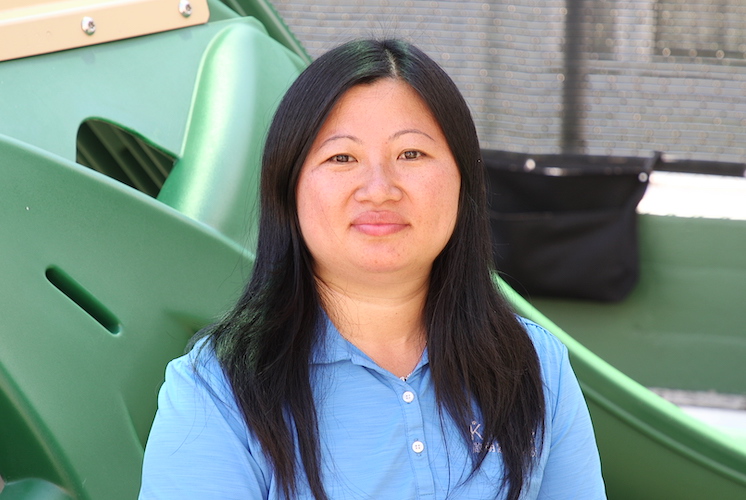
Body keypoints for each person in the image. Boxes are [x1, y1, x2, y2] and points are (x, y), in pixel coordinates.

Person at [139, 38, 606, 500]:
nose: (379, 189)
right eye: (342, 157)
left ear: (464, 180)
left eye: (411, 155)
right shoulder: (217, 389)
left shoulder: (535, 364)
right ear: (288, 188)